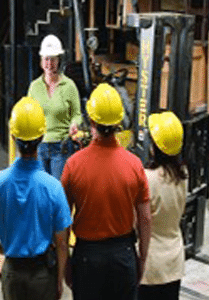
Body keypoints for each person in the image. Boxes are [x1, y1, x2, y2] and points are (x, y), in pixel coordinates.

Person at [0, 97, 72, 300]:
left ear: (13, 136)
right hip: (43, 274)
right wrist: (59, 279)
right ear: (41, 137)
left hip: (13, 272)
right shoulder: (53, 187)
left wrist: (0, 248)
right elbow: (62, 243)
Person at [61, 83, 152, 300]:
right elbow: (145, 219)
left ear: (91, 121)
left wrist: (64, 264)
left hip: (87, 257)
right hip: (123, 254)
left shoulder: (73, 165)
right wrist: (141, 258)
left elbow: (63, 222)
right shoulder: (134, 164)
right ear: (119, 123)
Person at [138, 111, 188, 300]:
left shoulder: (147, 178)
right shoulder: (183, 174)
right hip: (174, 260)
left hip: (150, 264)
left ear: (155, 147)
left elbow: (138, 221)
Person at [27, 34, 82, 180]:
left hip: (62, 147)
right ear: (41, 61)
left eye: (53, 59)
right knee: (41, 190)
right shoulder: (34, 87)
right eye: (46, 59)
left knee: (58, 190)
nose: (49, 63)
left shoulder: (69, 86)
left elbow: (77, 113)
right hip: (40, 146)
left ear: (58, 61)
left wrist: (74, 124)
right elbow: (29, 114)